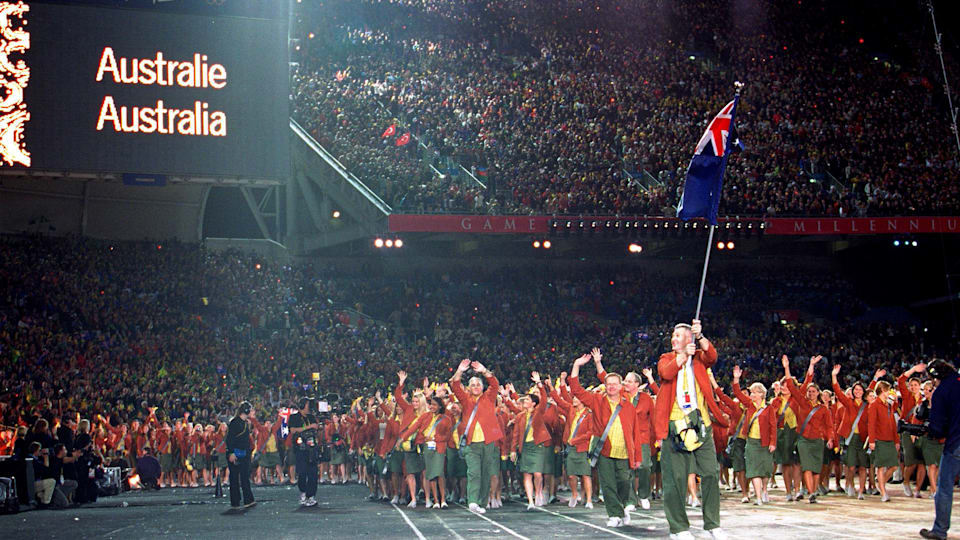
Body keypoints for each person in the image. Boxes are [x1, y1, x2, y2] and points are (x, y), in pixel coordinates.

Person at [653, 320, 729, 540]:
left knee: (711, 473)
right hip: (675, 427)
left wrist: (701, 336)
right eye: (673, 336)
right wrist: (682, 355)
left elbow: (712, 356)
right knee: (675, 479)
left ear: (689, 339)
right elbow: (666, 373)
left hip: (701, 424)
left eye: (678, 336)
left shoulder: (699, 360)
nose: (673, 339)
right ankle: (678, 528)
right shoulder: (666, 359)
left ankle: (712, 524)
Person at [570, 352, 642, 528]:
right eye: (608, 384)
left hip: (625, 452)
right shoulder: (597, 401)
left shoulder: (628, 406)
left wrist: (637, 456)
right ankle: (614, 514)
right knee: (608, 484)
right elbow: (576, 390)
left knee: (625, 482)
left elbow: (636, 433)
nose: (611, 387)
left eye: (614, 384)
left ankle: (623, 506)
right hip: (604, 451)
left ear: (621, 386)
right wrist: (576, 366)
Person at [449, 358, 503, 514]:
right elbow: (455, 386)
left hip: (488, 442)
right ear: (469, 387)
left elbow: (495, 384)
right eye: (472, 385)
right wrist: (459, 371)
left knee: (486, 474)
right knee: (473, 473)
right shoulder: (465, 400)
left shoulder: (489, 397)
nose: (476, 387)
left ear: (482, 386)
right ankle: (472, 501)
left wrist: (484, 371)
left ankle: (482, 503)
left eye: (478, 384)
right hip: (471, 443)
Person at [920, 359, 960, 540]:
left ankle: (940, 530)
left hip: (956, 444)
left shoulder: (941, 392)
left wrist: (928, 429)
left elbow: (938, 428)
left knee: (944, 488)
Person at [866, 380, 899, 502]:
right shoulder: (874, 405)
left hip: (890, 439)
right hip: (879, 439)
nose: (889, 392)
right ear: (883, 390)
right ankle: (883, 492)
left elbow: (893, 424)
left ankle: (880, 484)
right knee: (880, 467)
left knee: (894, 466)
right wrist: (872, 440)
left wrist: (896, 440)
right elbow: (872, 424)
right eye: (888, 390)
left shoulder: (889, 405)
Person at [288, 397, 320, 506]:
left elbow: (317, 427)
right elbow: (293, 430)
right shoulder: (294, 417)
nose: (309, 407)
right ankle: (303, 492)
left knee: (313, 473)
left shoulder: (311, 417)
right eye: (307, 405)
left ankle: (311, 495)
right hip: (300, 449)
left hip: (312, 448)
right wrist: (309, 427)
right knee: (302, 472)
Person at [226, 401, 256, 510]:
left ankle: (248, 500)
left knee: (244, 477)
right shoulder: (235, 422)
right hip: (235, 453)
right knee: (234, 479)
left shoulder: (245, 423)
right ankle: (235, 502)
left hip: (244, 454)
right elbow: (230, 439)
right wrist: (231, 452)